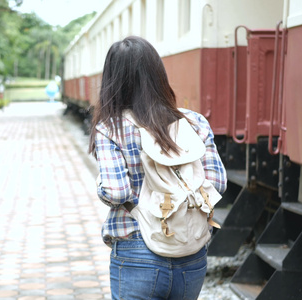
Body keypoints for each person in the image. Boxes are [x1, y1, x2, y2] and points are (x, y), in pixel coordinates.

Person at [88, 36, 227, 299]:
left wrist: (101, 185)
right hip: (190, 249)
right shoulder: (194, 122)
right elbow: (217, 183)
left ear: (112, 81)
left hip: (136, 248)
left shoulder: (111, 128)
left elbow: (117, 192)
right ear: (157, 74)